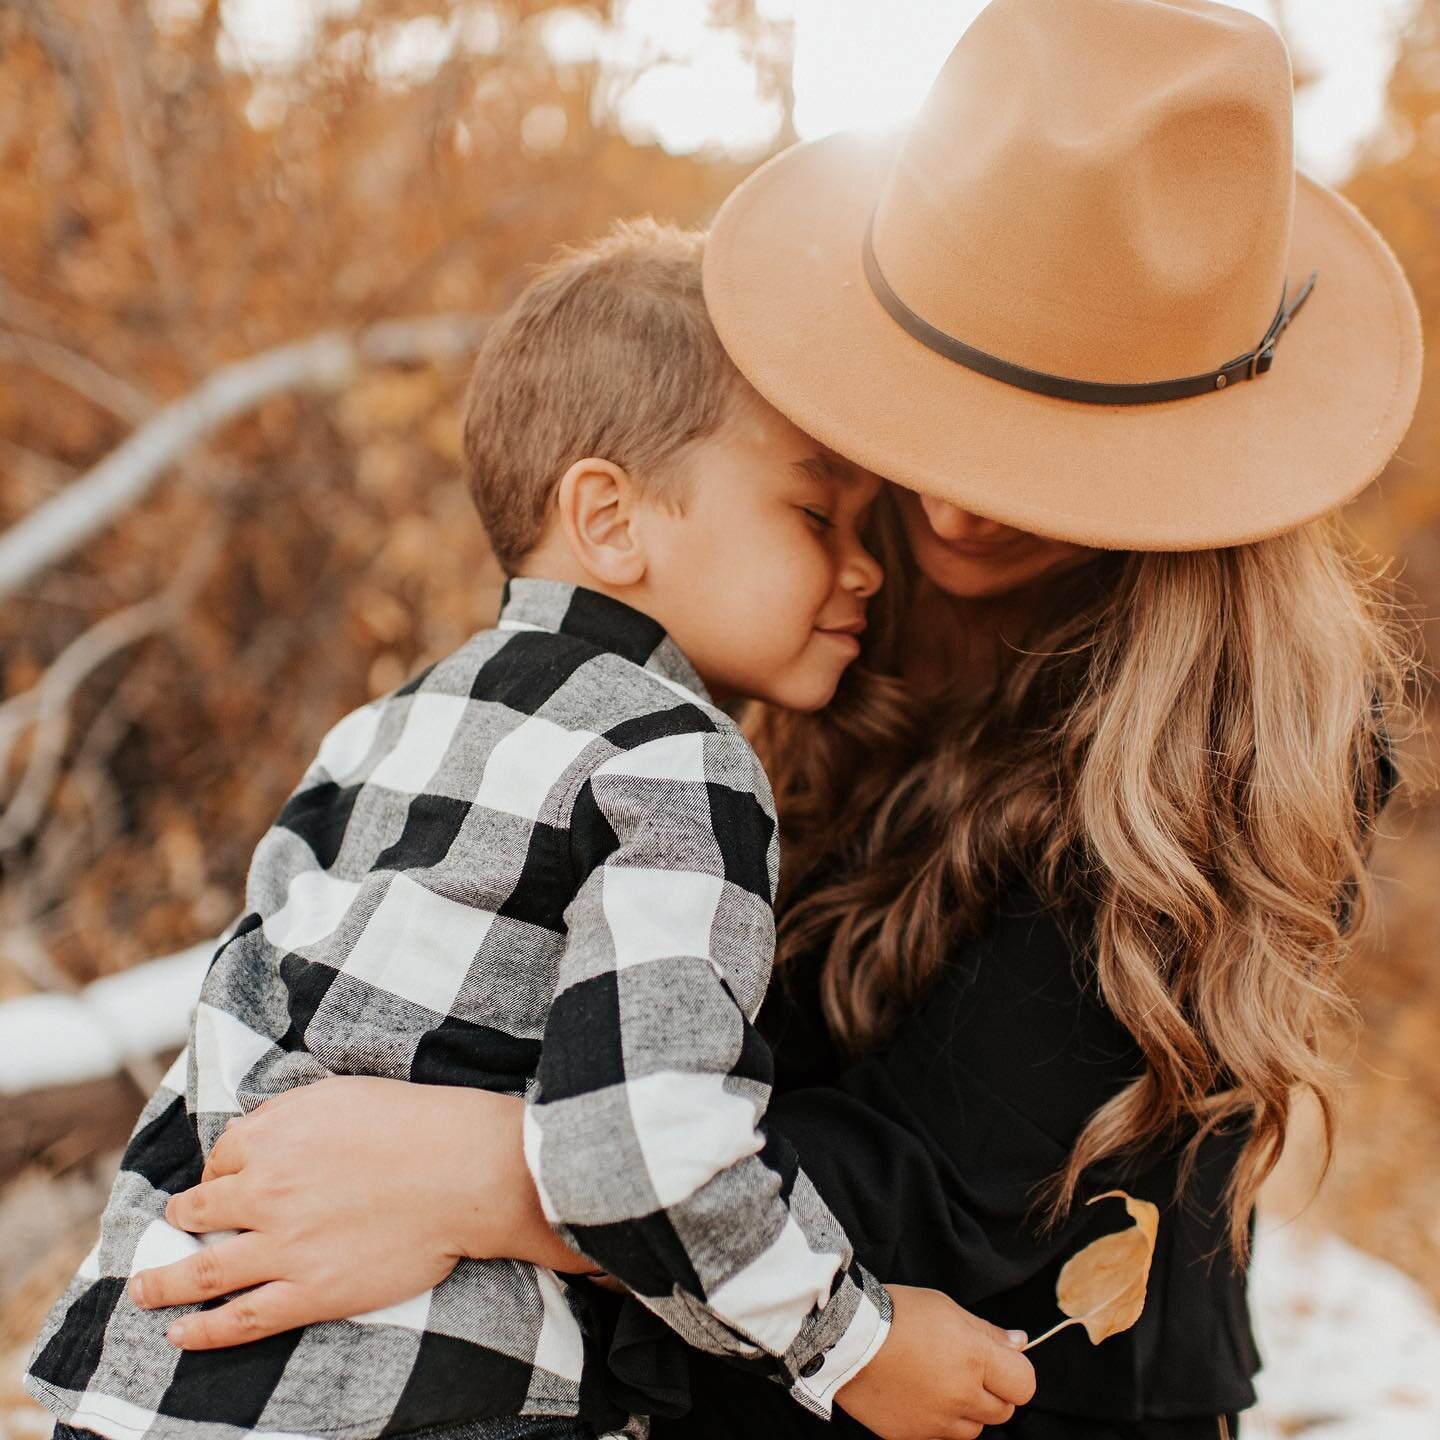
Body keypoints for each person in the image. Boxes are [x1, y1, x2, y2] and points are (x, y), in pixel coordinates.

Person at [104, 1, 1427, 1436]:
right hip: (709, 1346)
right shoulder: (790, 579)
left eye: (1057, 447)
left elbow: (959, 1196)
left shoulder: (1247, 727)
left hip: (995, 1382)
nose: (955, 508)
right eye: (946, 407)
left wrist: (500, 1179)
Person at [24, 220, 1039, 1440]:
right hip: (420, 1395)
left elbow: (231, 1046)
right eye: (817, 516)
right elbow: (637, 1143)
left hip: (164, 1370)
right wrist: (857, 1343)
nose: (867, 568)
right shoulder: (679, 762)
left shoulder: (377, 732)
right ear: (611, 519)